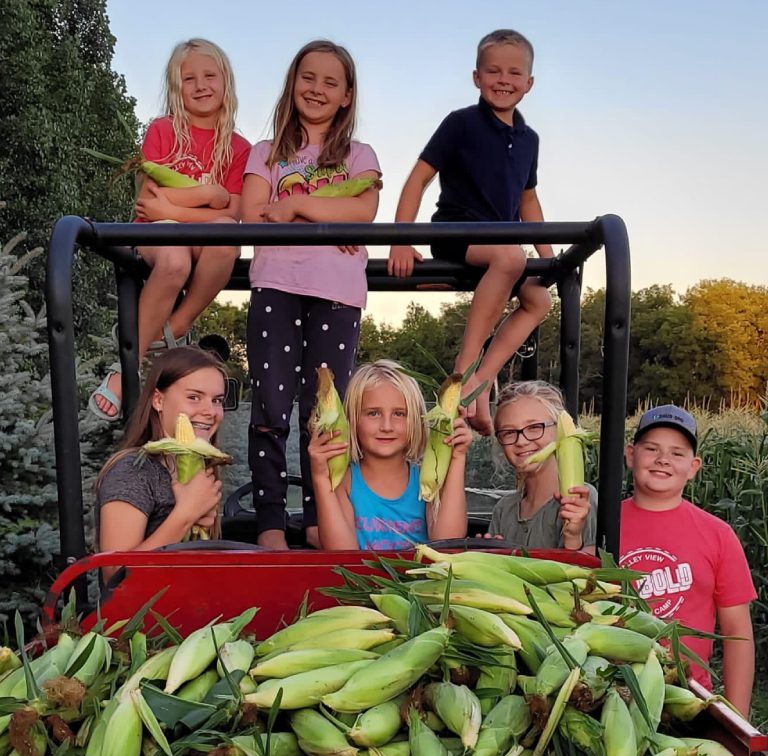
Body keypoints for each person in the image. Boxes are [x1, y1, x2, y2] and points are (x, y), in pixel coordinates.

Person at [240, 40, 381, 551]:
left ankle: (322, 518)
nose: (317, 89)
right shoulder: (266, 153)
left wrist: (297, 208)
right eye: (308, 77)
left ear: (346, 95)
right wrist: (326, 218)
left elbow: (362, 212)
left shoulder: (359, 155)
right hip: (277, 285)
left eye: (330, 82)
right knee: (271, 406)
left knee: (324, 411)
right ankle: (271, 524)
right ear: (293, 83)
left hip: (337, 292)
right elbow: (253, 215)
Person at [387, 29, 555, 436]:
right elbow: (418, 179)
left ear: (529, 83)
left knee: (540, 300)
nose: (503, 80)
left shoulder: (529, 140)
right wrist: (401, 239)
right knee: (511, 257)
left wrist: (550, 258)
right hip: (455, 231)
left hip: (502, 248)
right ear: (477, 77)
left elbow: (528, 200)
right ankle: (463, 372)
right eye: (493, 71)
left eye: (514, 73)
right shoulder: (460, 124)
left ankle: (481, 379)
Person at [91, 38, 251, 421]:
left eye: (209, 76)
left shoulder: (239, 148)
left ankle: (174, 328)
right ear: (176, 88)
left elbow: (234, 213)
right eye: (189, 79)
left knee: (225, 238)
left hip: (205, 238)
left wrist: (178, 207)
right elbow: (149, 202)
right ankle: (125, 368)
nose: (200, 85)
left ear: (226, 82)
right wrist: (208, 196)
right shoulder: (163, 130)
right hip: (156, 233)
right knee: (176, 259)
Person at [619, 404, 757, 717]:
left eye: (677, 453)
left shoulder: (718, 535)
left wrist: (737, 720)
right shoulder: (602, 524)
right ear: (630, 455)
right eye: (651, 448)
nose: (662, 459)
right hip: (614, 693)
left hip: (689, 699)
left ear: (694, 467)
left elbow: (737, 633)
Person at [308, 360, 471, 550]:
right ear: (352, 420)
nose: (387, 426)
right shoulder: (344, 482)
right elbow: (341, 553)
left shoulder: (428, 479)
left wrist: (457, 457)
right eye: (373, 413)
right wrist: (320, 478)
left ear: (416, 420)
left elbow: (448, 543)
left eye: (399, 414)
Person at [95, 347, 226, 579]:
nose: (210, 411)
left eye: (217, 400)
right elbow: (115, 575)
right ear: (158, 400)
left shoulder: (201, 469)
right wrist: (185, 515)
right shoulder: (133, 470)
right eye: (194, 397)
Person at [487, 381, 596, 552]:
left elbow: (587, 566)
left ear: (559, 430)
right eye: (509, 432)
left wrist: (573, 537)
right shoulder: (503, 509)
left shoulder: (579, 499)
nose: (521, 441)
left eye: (534, 427)